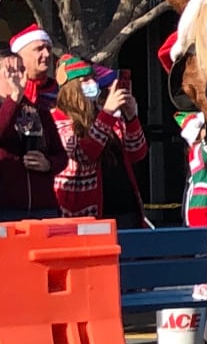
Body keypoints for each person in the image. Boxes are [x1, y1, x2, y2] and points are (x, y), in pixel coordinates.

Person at [47, 54, 146, 219]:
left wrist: (131, 118)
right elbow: (84, 154)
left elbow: (137, 153)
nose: (92, 83)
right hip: (84, 214)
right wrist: (107, 113)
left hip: (126, 211)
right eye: (85, 80)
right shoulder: (57, 118)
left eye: (93, 78)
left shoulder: (104, 116)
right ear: (71, 87)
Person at [0, 26, 64, 219]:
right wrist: (14, 98)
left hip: (43, 206)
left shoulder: (36, 109)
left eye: (22, 70)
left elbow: (61, 154)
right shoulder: (10, 104)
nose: (18, 77)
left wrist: (48, 164)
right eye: (11, 71)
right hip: (6, 207)